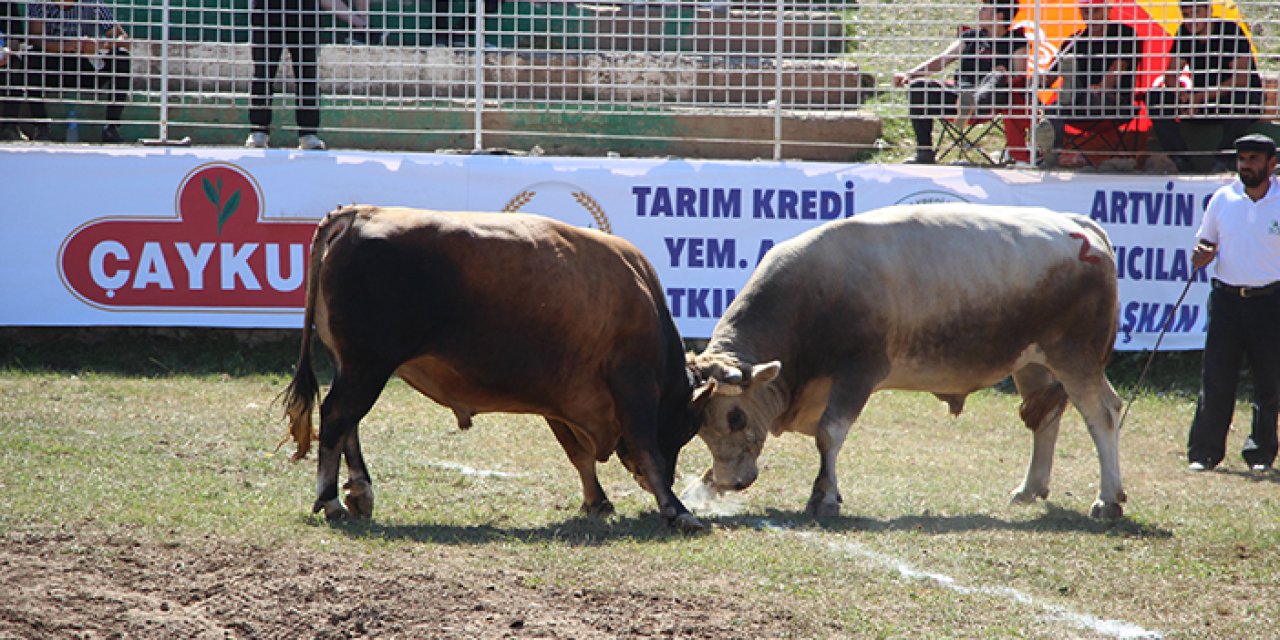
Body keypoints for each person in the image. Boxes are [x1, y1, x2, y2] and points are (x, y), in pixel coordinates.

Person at [1185, 133, 1280, 473]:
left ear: (1272, 163)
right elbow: (1205, 242)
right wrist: (1201, 255)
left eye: (1255, 159)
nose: (1246, 165)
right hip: (1226, 299)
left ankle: (1260, 453)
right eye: (1242, 158)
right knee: (1216, 378)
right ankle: (1204, 452)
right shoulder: (1223, 199)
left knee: (1269, 381)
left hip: (1270, 301)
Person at [894, 0, 1028, 165]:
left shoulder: (1016, 41)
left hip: (992, 99)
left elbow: (1019, 77)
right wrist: (911, 74)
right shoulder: (971, 37)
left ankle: (972, 104)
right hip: (959, 94)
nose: (979, 11)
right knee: (918, 87)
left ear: (999, 16)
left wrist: (1004, 75)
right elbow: (942, 59)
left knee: (998, 74)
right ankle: (924, 153)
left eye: (985, 8)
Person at [1145, 0, 1263, 173]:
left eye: (1196, 13)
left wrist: (1201, 97)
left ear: (1208, 10)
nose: (1191, 20)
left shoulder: (1229, 31)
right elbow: (1170, 75)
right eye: (1186, 15)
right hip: (1202, 101)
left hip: (1230, 98)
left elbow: (1241, 80)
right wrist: (1182, 95)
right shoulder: (1184, 33)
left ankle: (1224, 160)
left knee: (1242, 99)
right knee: (1157, 97)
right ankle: (1181, 160)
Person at [1032, 0, 1139, 166]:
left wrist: (1103, 87)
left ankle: (1072, 90)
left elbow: (1118, 68)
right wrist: (1036, 79)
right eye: (1085, 12)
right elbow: (1050, 78)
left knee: (1086, 95)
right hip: (1079, 102)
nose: (1091, 17)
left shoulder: (1124, 34)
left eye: (1095, 11)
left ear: (1108, 10)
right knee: (1052, 110)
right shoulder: (1074, 40)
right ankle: (1051, 155)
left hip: (1110, 99)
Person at [25, 0, 131, 144]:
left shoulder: (92, 3)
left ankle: (111, 127)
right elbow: (34, 38)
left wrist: (98, 45)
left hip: (85, 65)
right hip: (53, 66)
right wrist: (65, 46)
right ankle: (41, 127)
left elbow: (122, 38)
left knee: (122, 56)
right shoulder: (40, 3)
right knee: (31, 56)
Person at [246, 0, 328, 150]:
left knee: (307, 71)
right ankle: (258, 131)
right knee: (263, 70)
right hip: (266, 8)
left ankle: (308, 133)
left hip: (304, 8)